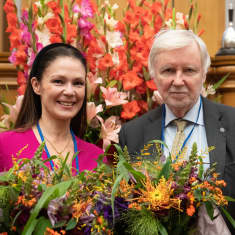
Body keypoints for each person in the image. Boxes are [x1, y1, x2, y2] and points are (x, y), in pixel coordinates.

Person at [119, 29, 235, 233]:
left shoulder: (233, 123)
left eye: (189, 70)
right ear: (154, 74)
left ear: (204, 73)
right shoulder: (132, 133)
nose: (178, 81)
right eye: (168, 71)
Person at [0, 43, 103, 173]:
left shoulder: (97, 157)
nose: (70, 92)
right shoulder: (5, 145)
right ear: (36, 85)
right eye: (58, 81)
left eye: (78, 83)